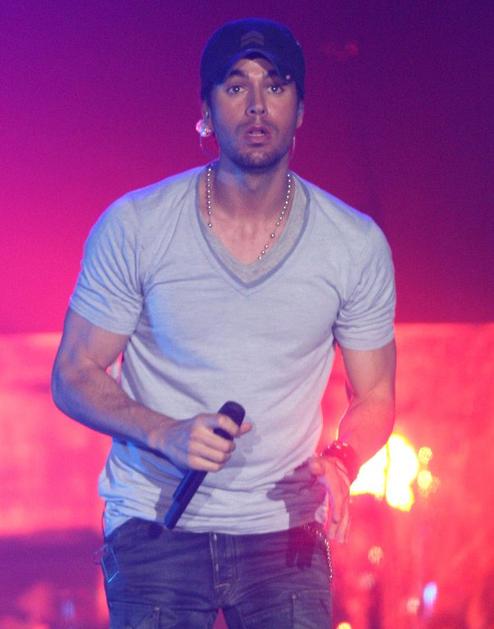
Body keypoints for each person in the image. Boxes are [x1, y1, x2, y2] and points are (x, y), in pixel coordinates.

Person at [51, 17, 396, 628]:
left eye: (276, 85)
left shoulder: (353, 244)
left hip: (285, 535)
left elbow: (375, 396)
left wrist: (343, 460)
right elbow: (73, 375)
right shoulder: (137, 226)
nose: (257, 104)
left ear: (300, 109)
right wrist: (164, 433)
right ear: (207, 111)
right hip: (156, 526)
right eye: (236, 87)